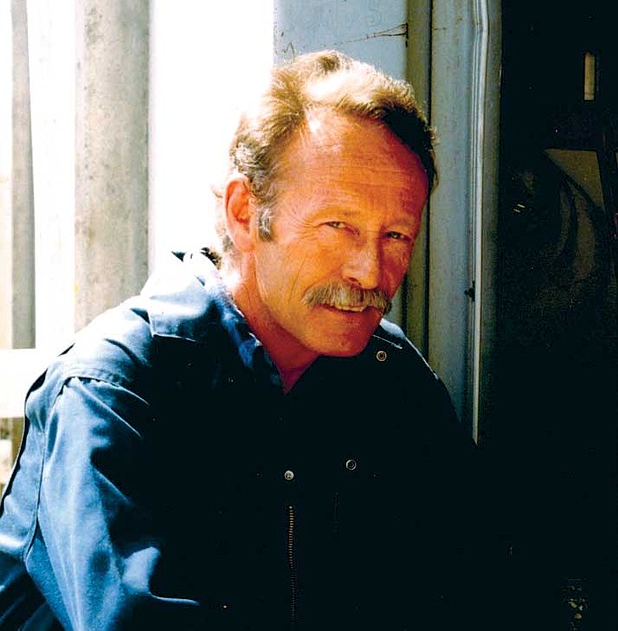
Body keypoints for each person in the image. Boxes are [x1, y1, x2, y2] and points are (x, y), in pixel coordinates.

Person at [0, 50, 508, 630]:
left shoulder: (394, 384)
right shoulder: (115, 391)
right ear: (245, 213)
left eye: (396, 235)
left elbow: (477, 592)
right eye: (337, 226)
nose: (369, 272)